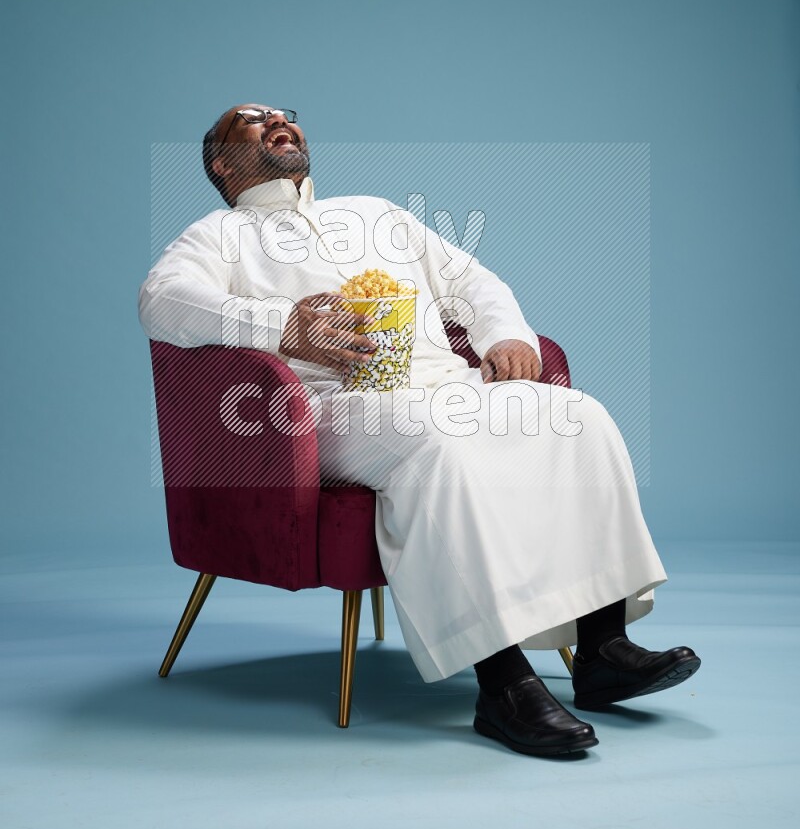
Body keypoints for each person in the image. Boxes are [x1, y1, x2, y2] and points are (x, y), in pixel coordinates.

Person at [139, 103, 701, 757]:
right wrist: (283, 326)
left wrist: (505, 335)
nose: (276, 122)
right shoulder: (216, 236)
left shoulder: (375, 215)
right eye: (253, 122)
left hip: (444, 383)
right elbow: (161, 301)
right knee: (437, 442)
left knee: (578, 418)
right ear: (222, 161)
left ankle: (604, 647)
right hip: (326, 409)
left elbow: (468, 281)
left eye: (283, 115)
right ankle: (502, 684)